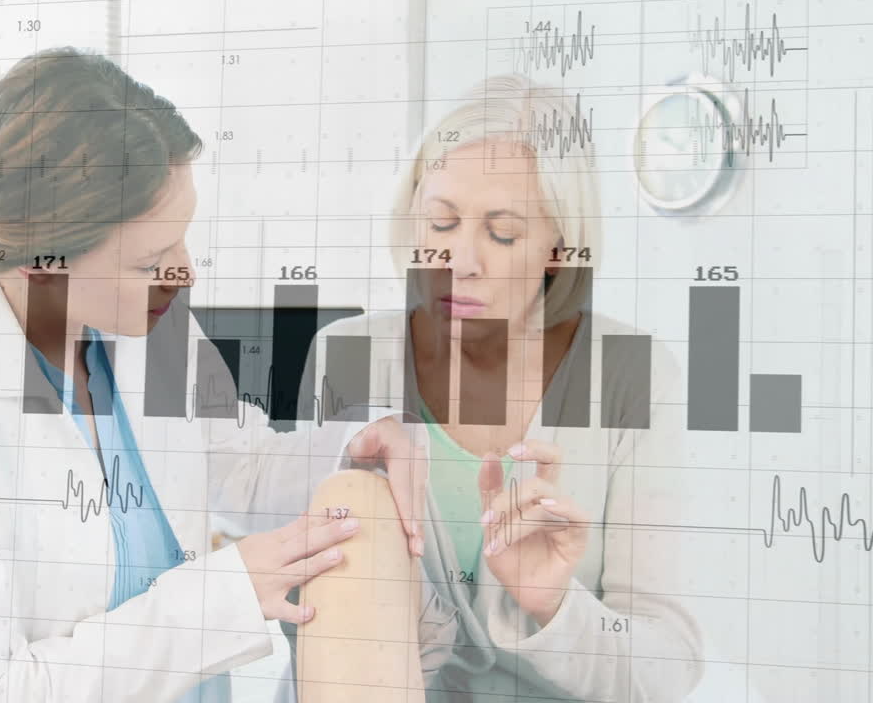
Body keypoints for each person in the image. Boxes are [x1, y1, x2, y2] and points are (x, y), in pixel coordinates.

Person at [0, 46, 434, 702]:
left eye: (182, 240)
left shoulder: (154, 330)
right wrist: (221, 601)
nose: (184, 274)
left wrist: (347, 446)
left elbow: (240, 467)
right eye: (151, 259)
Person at [283, 75, 705, 702]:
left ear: (559, 247)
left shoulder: (633, 378)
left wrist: (554, 607)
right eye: (442, 223)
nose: (459, 260)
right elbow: (309, 609)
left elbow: (666, 665)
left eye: (502, 233)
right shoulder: (349, 357)